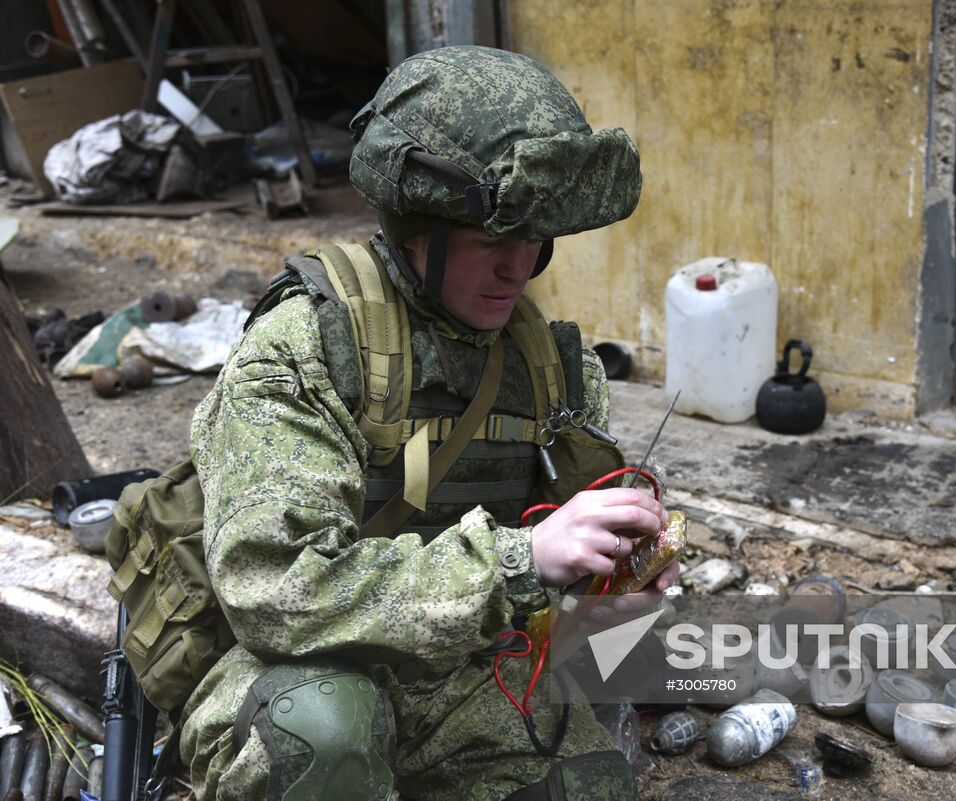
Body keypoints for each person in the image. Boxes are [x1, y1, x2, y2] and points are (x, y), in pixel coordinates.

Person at [178, 45, 678, 801]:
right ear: (414, 232)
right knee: (324, 735)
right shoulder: (308, 347)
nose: (521, 267)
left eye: (535, 239)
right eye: (491, 242)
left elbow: (568, 609)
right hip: (306, 667)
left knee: (588, 783)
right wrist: (520, 560)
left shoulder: (551, 365)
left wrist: (619, 591)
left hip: (463, 670)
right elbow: (277, 589)